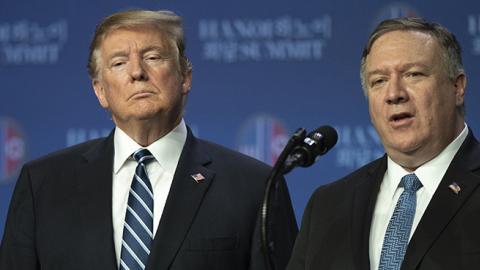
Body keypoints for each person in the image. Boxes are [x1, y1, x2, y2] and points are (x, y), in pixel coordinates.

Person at [0, 10, 297, 270]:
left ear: (185, 77)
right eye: (118, 63)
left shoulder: (255, 186)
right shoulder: (43, 185)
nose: (137, 72)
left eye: (153, 57)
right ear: (100, 90)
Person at [287, 17, 480, 270]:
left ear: (457, 87)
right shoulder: (328, 206)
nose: (394, 94)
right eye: (378, 81)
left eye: (413, 74)